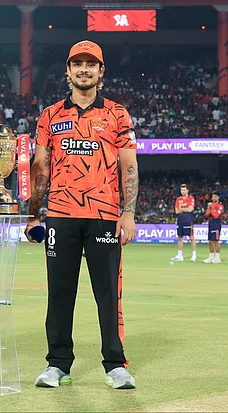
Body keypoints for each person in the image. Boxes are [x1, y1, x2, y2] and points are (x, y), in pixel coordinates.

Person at [25, 40, 138, 390]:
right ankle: (58, 364)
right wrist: (33, 215)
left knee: (107, 292)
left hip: (104, 214)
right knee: (59, 292)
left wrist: (128, 214)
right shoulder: (50, 114)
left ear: (101, 71)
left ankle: (115, 364)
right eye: (77, 63)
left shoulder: (118, 114)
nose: (84, 69)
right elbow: (40, 167)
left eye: (91, 64)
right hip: (60, 214)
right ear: (68, 70)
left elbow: (129, 165)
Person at [171, 184, 197, 262]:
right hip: (180, 220)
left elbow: (190, 209)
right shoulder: (178, 199)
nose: (183, 191)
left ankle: (194, 255)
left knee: (191, 237)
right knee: (180, 237)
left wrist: (181, 208)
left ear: (187, 190)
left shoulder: (191, 198)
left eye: (184, 190)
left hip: (188, 220)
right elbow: (176, 211)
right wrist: (185, 208)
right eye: (182, 190)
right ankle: (180, 255)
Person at [204, 191, 224, 264]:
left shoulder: (220, 206)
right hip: (210, 224)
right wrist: (209, 209)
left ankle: (217, 258)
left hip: (216, 224)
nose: (213, 198)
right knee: (210, 241)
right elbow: (206, 215)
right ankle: (211, 257)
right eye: (213, 197)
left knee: (216, 241)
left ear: (218, 197)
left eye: (215, 197)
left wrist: (211, 208)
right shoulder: (210, 204)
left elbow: (216, 216)